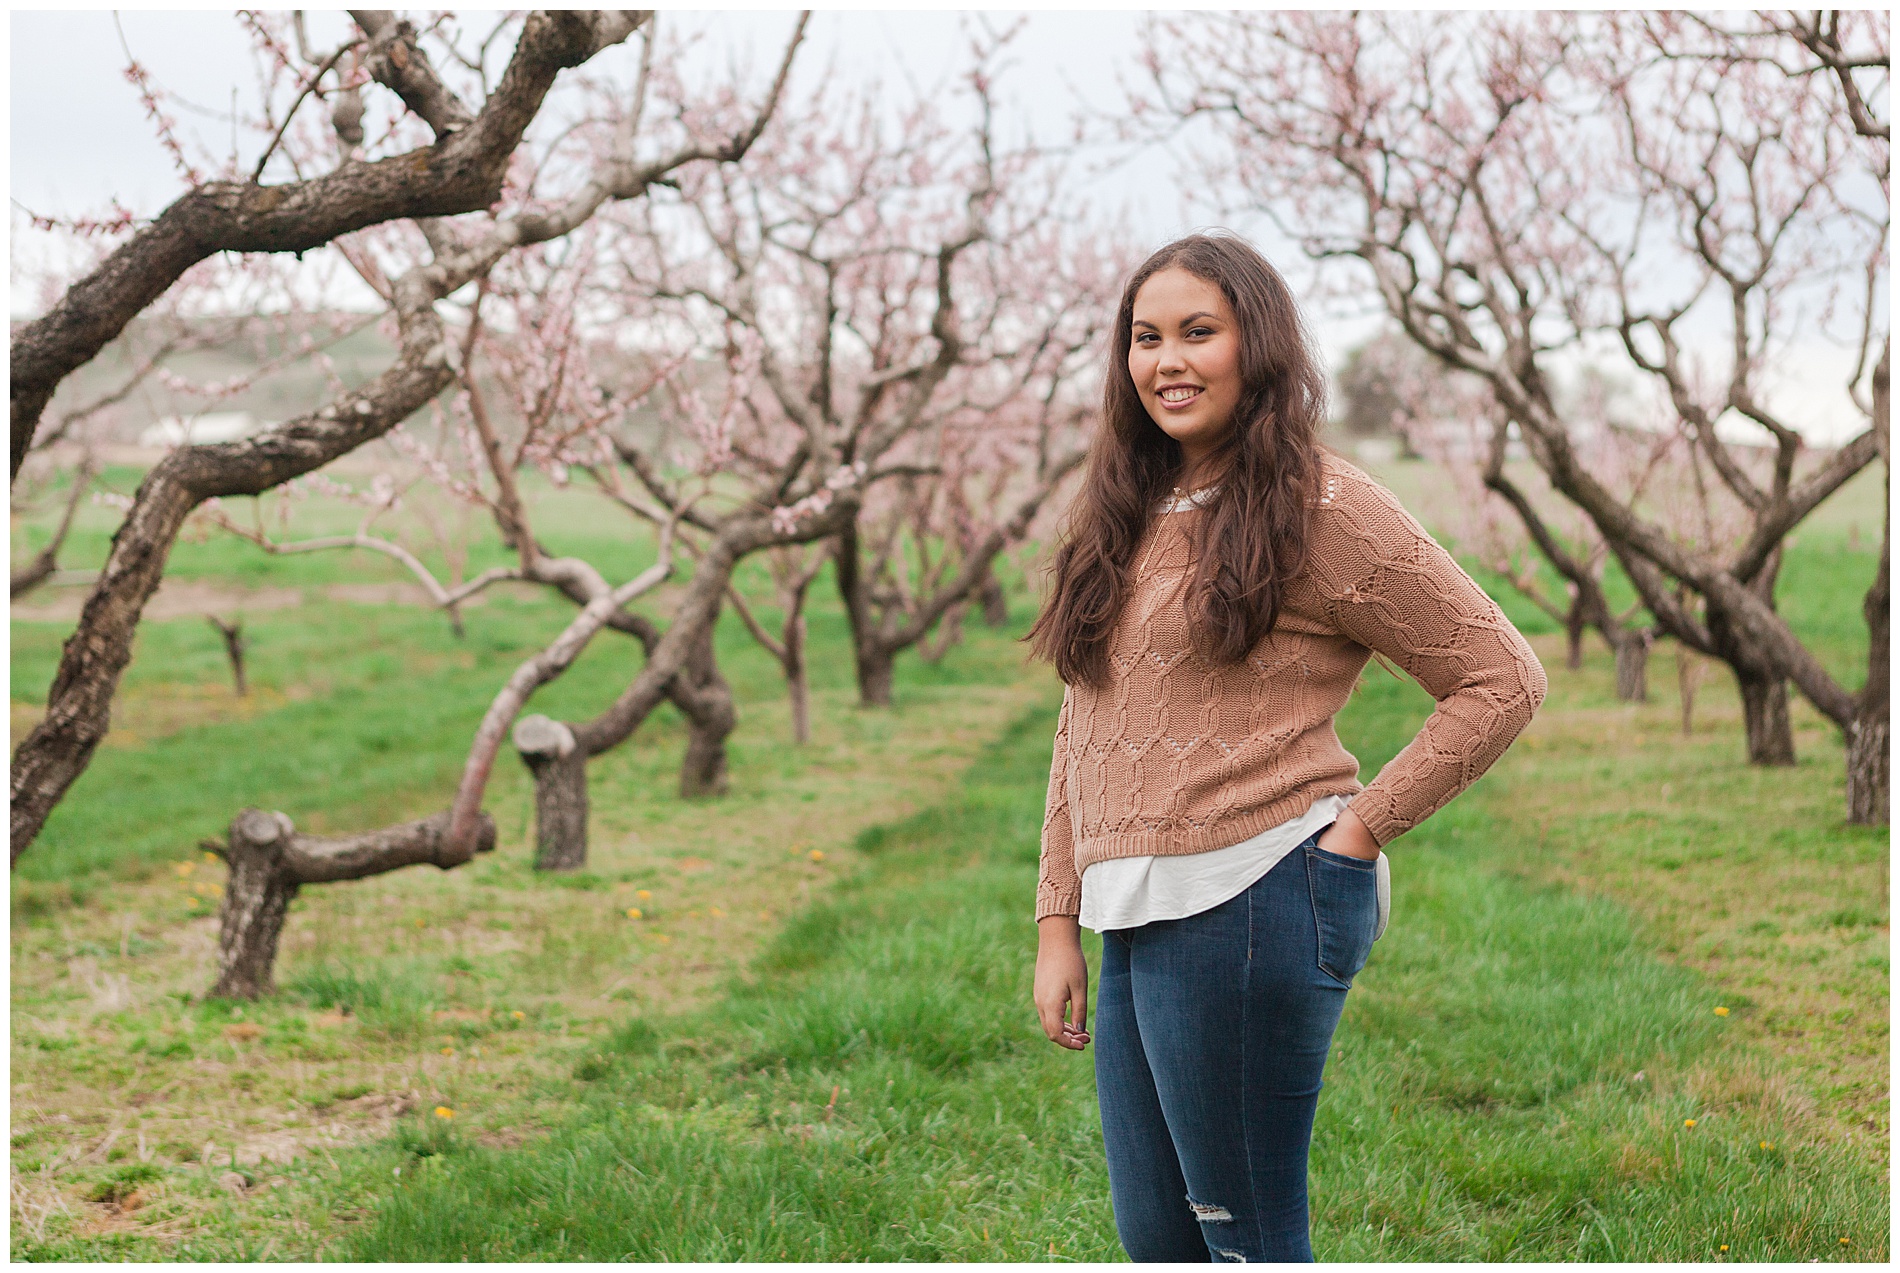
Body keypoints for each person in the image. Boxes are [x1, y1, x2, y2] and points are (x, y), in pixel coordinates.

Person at [1027, 233, 1546, 1263]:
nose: (1166, 360)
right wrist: (1056, 920)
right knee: (1159, 1244)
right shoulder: (1127, 510)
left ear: (1254, 345)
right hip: (1135, 915)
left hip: (1254, 893)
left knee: (1249, 1243)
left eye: (1197, 333)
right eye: (1145, 338)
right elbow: (1084, 719)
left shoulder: (1323, 505)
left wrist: (1353, 834)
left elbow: (1500, 678)